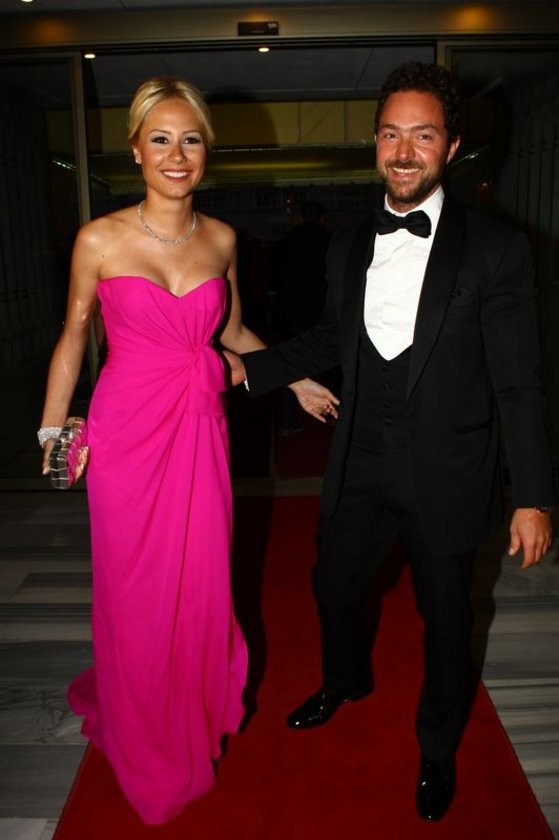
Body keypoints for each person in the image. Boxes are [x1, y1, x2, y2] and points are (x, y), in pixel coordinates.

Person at [235, 62, 555, 822]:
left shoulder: (496, 249)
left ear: (451, 147)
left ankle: (437, 747)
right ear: (374, 142)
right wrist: (238, 371)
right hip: (361, 458)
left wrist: (535, 497)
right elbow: (327, 338)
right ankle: (345, 679)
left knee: (446, 618)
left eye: (422, 135)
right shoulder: (348, 244)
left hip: (451, 467)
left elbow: (518, 383)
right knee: (332, 585)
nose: (404, 152)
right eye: (390, 134)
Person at [37, 76, 337, 826]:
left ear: (208, 151)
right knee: (135, 591)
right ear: (136, 149)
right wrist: (52, 429)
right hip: (124, 435)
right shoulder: (99, 239)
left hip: (199, 430)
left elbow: (230, 332)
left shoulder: (223, 239)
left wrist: (296, 378)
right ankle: (143, 728)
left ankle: (191, 713)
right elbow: (74, 336)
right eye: (161, 139)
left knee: (201, 582)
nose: (177, 155)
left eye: (191, 139)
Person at [272, 200, 333, 434]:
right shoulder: (332, 241)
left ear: (299, 217)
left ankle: (287, 420)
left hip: (292, 313)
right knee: (333, 365)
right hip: (323, 313)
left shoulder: (287, 241)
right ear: (322, 217)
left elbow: (276, 279)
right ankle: (334, 414)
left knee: (291, 366)